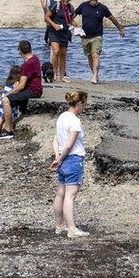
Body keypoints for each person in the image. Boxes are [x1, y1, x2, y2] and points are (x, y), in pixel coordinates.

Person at [50, 90, 90, 238]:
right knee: (70, 195)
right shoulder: (75, 120)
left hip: (62, 158)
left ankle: (59, 225)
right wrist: (60, 159)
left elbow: (56, 139)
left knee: (61, 193)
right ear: (79, 103)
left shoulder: (62, 117)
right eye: (84, 104)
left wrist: (57, 157)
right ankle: (72, 229)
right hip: (72, 159)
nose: (84, 108)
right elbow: (69, 144)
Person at [73, 0, 125, 84]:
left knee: (95, 55)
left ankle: (94, 75)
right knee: (89, 57)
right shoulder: (83, 6)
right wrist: (74, 26)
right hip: (85, 36)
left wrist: (120, 28)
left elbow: (112, 18)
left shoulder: (102, 8)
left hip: (97, 36)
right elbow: (72, 16)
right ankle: (95, 75)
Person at [0, 40, 43, 139]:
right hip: (36, 89)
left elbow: (21, 85)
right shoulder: (35, 58)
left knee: (6, 101)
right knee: (12, 100)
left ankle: (7, 129)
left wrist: (7, 94)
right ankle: (3, 126)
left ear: (20, 51)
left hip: (33, 90)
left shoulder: (27, 64)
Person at [44, 0, 75, 82]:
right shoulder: (56, 6)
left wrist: (76, 27)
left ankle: (62, 76)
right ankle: (53, 74)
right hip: (53, 32)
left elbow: (70, 20)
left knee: (63, 55)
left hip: (64, 32)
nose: (65, 0)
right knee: (56, 52)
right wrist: (54, 25)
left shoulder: (71, 7)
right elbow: (46, 17)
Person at [0, 65, 22, 138]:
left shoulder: (8, 81)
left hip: (2, 101)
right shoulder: (16, 83)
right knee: (3, 117)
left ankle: (0, 129)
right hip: (7, 102)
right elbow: (16, 91)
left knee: (3, 117)